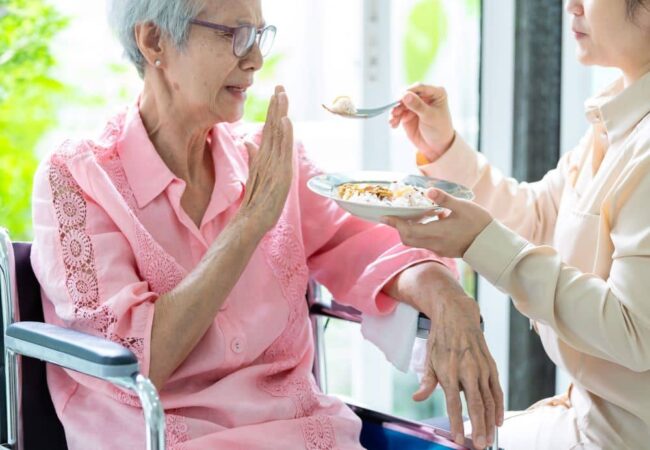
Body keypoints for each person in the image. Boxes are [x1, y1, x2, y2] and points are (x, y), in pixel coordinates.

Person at [30, 0, 502, 448]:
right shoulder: (78, 178)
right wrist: (251, 223)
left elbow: (367, 243)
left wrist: (447, 296)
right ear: (155, 42)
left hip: (305, 435)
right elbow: (138, 363)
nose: (255, 59)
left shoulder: (266, 159)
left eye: (258, 35)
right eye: (234, 35)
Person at [385, 0, 650, 448]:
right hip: (589, 417)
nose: (572, 4)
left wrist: (480, 242)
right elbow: (538, 217)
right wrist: (445, 147)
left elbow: (632, 331)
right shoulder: (616, 117)